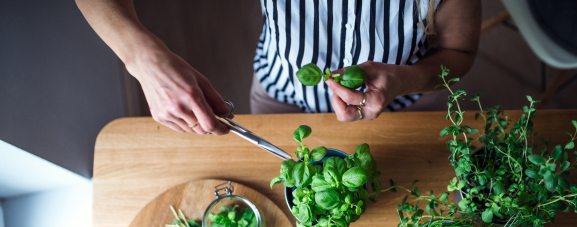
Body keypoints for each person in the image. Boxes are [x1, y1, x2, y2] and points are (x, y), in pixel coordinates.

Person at [76, 0, 481, 135]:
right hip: (280, 93)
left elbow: (458, 53)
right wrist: (145, 60)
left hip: (404, 106)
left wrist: (406, 79)